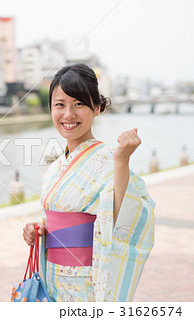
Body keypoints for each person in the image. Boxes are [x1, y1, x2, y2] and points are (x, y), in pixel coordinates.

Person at [22, 64, 155, 302]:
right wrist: (38, 229)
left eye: (79, 104)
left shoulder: (109, 158)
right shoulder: (55, 168)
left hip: (85, 282)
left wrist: (122, 161)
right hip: (52, 278)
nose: (68, 115)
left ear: (96, 107)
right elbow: (55, 214)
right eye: (60, 105)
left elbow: (119, 219)